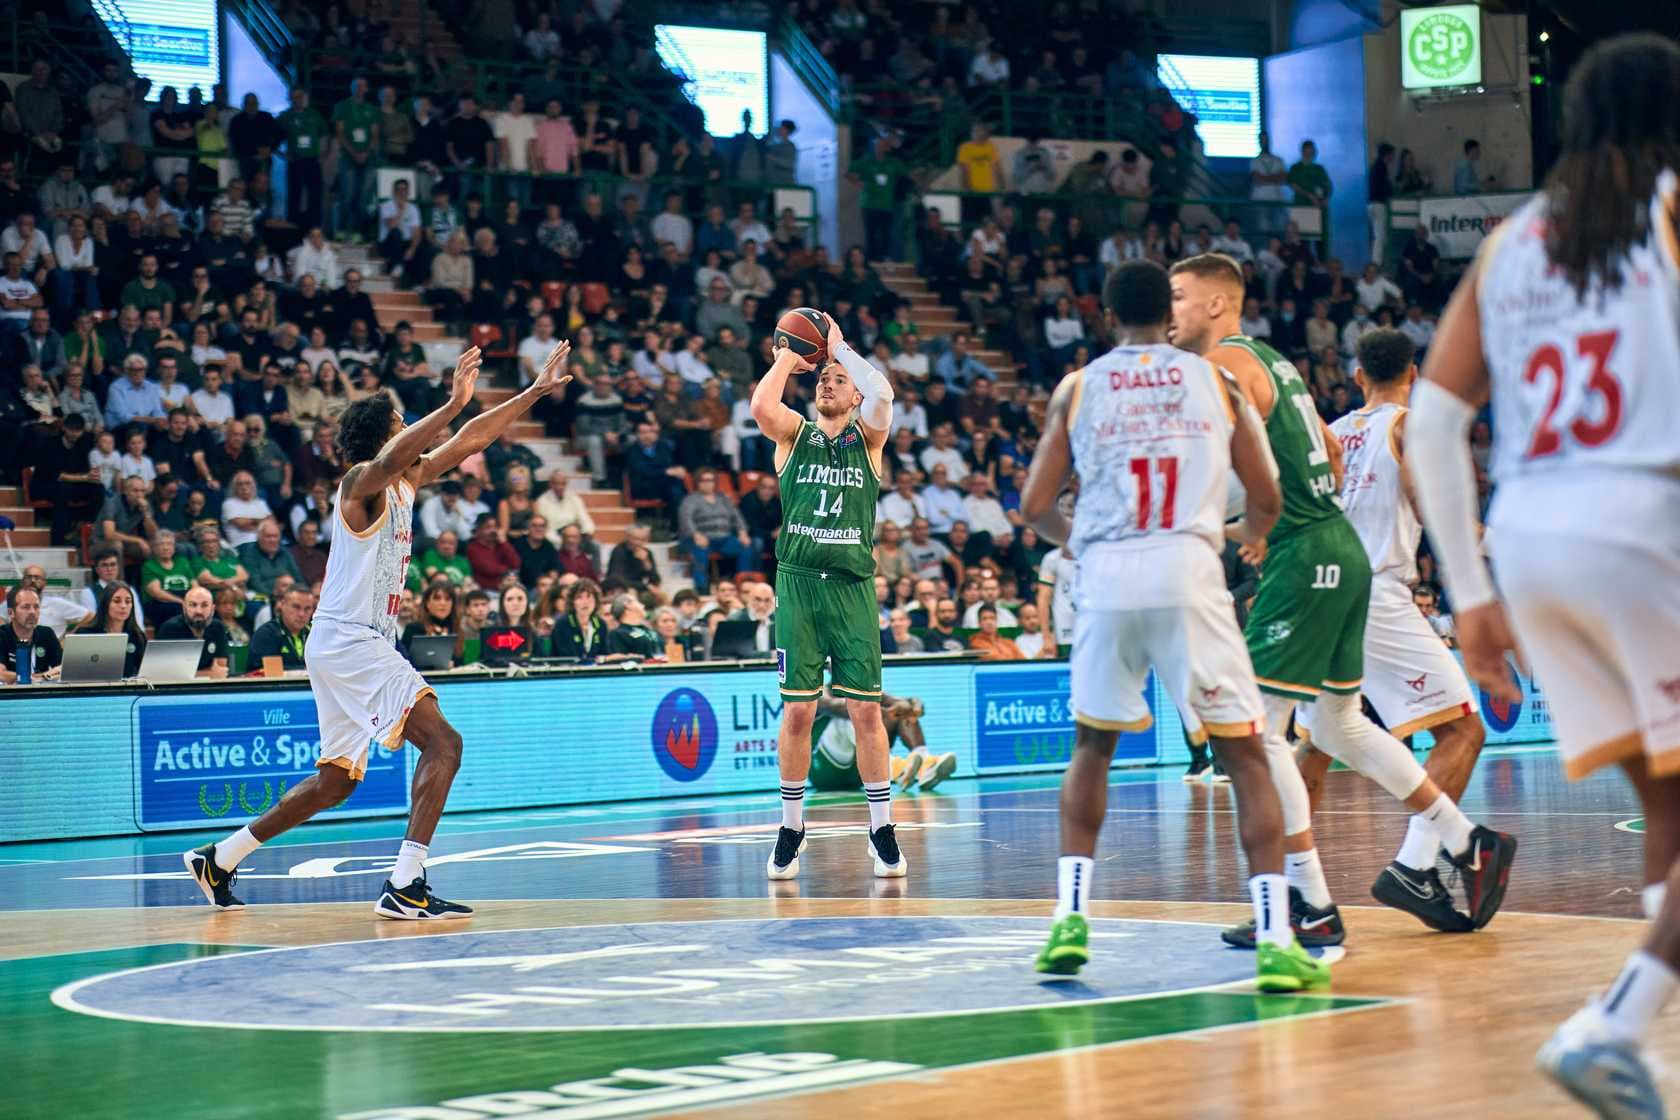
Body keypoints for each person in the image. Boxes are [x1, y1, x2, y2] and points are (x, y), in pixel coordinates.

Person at [1405, 35, 1680, 1114]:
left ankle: (1643, 1034)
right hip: (1648, 514)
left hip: (1532, 537)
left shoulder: (1510, 241)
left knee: (1667, 807)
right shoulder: (1671, 207)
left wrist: (1473, 597)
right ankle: (1612, 1020)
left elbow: (1434, 423)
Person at [1169, 252, 1516, 950]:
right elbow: (1329, 456)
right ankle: (1456, 843)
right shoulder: (1276, 362)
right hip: (1346, 560)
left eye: (1178, 297)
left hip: (1318, 563)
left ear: (1215, 304)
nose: (1168, 310)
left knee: (1264, 735)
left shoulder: (1234, 368)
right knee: (1336, 730)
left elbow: (1254, 455)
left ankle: (1309, 902)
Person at [183, 339, 571, 920]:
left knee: (335, 781)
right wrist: (450, 403)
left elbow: (472, 439)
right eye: (402, 421)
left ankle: (221, 857)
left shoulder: (405, 482)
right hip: (350, 638)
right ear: (384, 434)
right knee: (445, 743)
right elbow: (405, 451)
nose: (415, 428)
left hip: (346, 643)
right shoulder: (359, 483)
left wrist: (532, 392)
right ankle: (405, 882)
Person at [1017, 259, 1321, 989]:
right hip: (1188, 570)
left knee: (1092, 749)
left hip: (1110, 574)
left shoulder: (1079, 385)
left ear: (1107, 314)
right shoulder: (1215, 380)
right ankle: (1278, 937)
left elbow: (1033, 507)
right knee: (1246, 754)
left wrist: (1082, 540)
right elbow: (1270, 498)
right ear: (1169, 313)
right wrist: (1239, 532)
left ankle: (1069, 917)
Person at [1291, 328, 1489, 927]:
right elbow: (1436, 510)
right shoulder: (1407, 427)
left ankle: (1291, 887)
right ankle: (1415, 863)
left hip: (1320, 592)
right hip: (1376, 593)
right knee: (1463, 731)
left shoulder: (1333, 430)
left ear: (1356, 377)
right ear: (1415, 375)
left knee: (1317, 744)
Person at [750, 313, 904, 880]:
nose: (827, 383)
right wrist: (791, 355)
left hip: (852, 587)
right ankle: (792, 827)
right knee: (798, 711)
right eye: (824, 378)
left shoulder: (871, 438)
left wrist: (840, 349)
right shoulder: (795, 435)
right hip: (798, 584)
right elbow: (761, 409)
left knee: (866, 708)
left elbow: (883, 391)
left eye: (838, 379)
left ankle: (881, 827)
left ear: (855, 392)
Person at [807, 688, 957, 795]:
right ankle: (896, 769)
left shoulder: (867, 689)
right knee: (854, 716)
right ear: (830, 667)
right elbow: (838, 706)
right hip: (823, 774)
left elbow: (908, 703)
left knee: (901, 711)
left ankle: (925, 765)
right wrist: (882, 708)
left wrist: (912, 705)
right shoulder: (819, 693)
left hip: (860, 776)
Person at [155, 585, 232, 677]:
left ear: (212, 609)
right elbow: (162, 673)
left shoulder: (218, 627)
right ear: (184, 607)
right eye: (193, 605)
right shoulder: (170, 629)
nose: (198, 611)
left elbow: (221, 668)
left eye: (204, 605)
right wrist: (208, 674)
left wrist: (191, 674)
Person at [0, 585, 64, 683]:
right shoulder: (2, 635)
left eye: (36, 607)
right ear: (11, 612)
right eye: (26, 607)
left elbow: (62, 668)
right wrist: (35, 678)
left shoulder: (46, 633)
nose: (32, 612)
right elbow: (2, 674)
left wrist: (43, 677)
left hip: (41, 694)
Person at [248, 584, 314, 671]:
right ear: (282, 605)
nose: (301, 614)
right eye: (296, 607)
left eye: (307, 608)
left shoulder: (314, 634)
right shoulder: (266, 634)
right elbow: (269, 671)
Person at [93, 580, 147, 678]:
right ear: (105, 603)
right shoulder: (86, 634)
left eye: (128, 601)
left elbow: (146, 672)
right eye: (117, 601)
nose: (123, 606)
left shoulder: (137, 636)